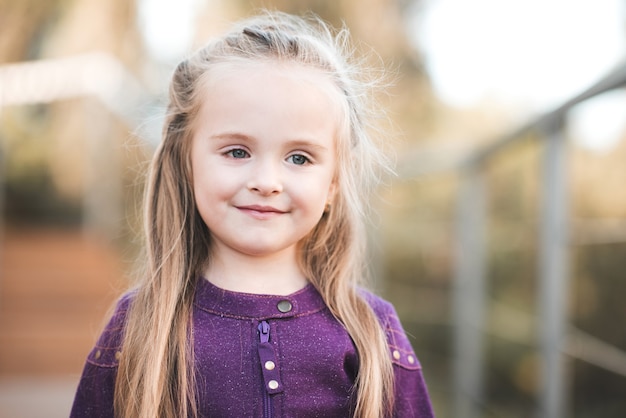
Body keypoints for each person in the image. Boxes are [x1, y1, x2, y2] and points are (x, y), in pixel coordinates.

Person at [70, 10, 434, 418]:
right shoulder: (139, 327)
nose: (267, 181)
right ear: (185, 163)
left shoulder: (371, 330)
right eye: (237, 152)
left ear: (332, 184)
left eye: (299, 157)